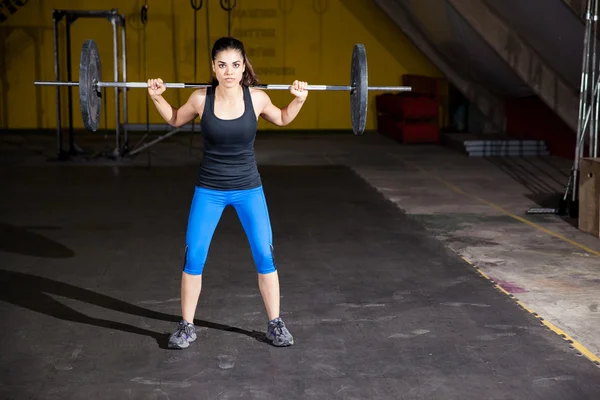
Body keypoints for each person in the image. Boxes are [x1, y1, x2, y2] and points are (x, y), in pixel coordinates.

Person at [147, 37, 308, 350]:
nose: (229, 71)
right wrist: (156, 97)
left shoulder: (257, 99)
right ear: (213, 67)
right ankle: (186, 326)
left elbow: (284, 117)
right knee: (194, 256)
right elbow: (174, 118)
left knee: (265, 254)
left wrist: (299, 98)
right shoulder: (199, 99)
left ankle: (275, 324)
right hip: (209, 190)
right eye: (222, 65)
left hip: (249, 189)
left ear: (243, 65)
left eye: (235, 64)